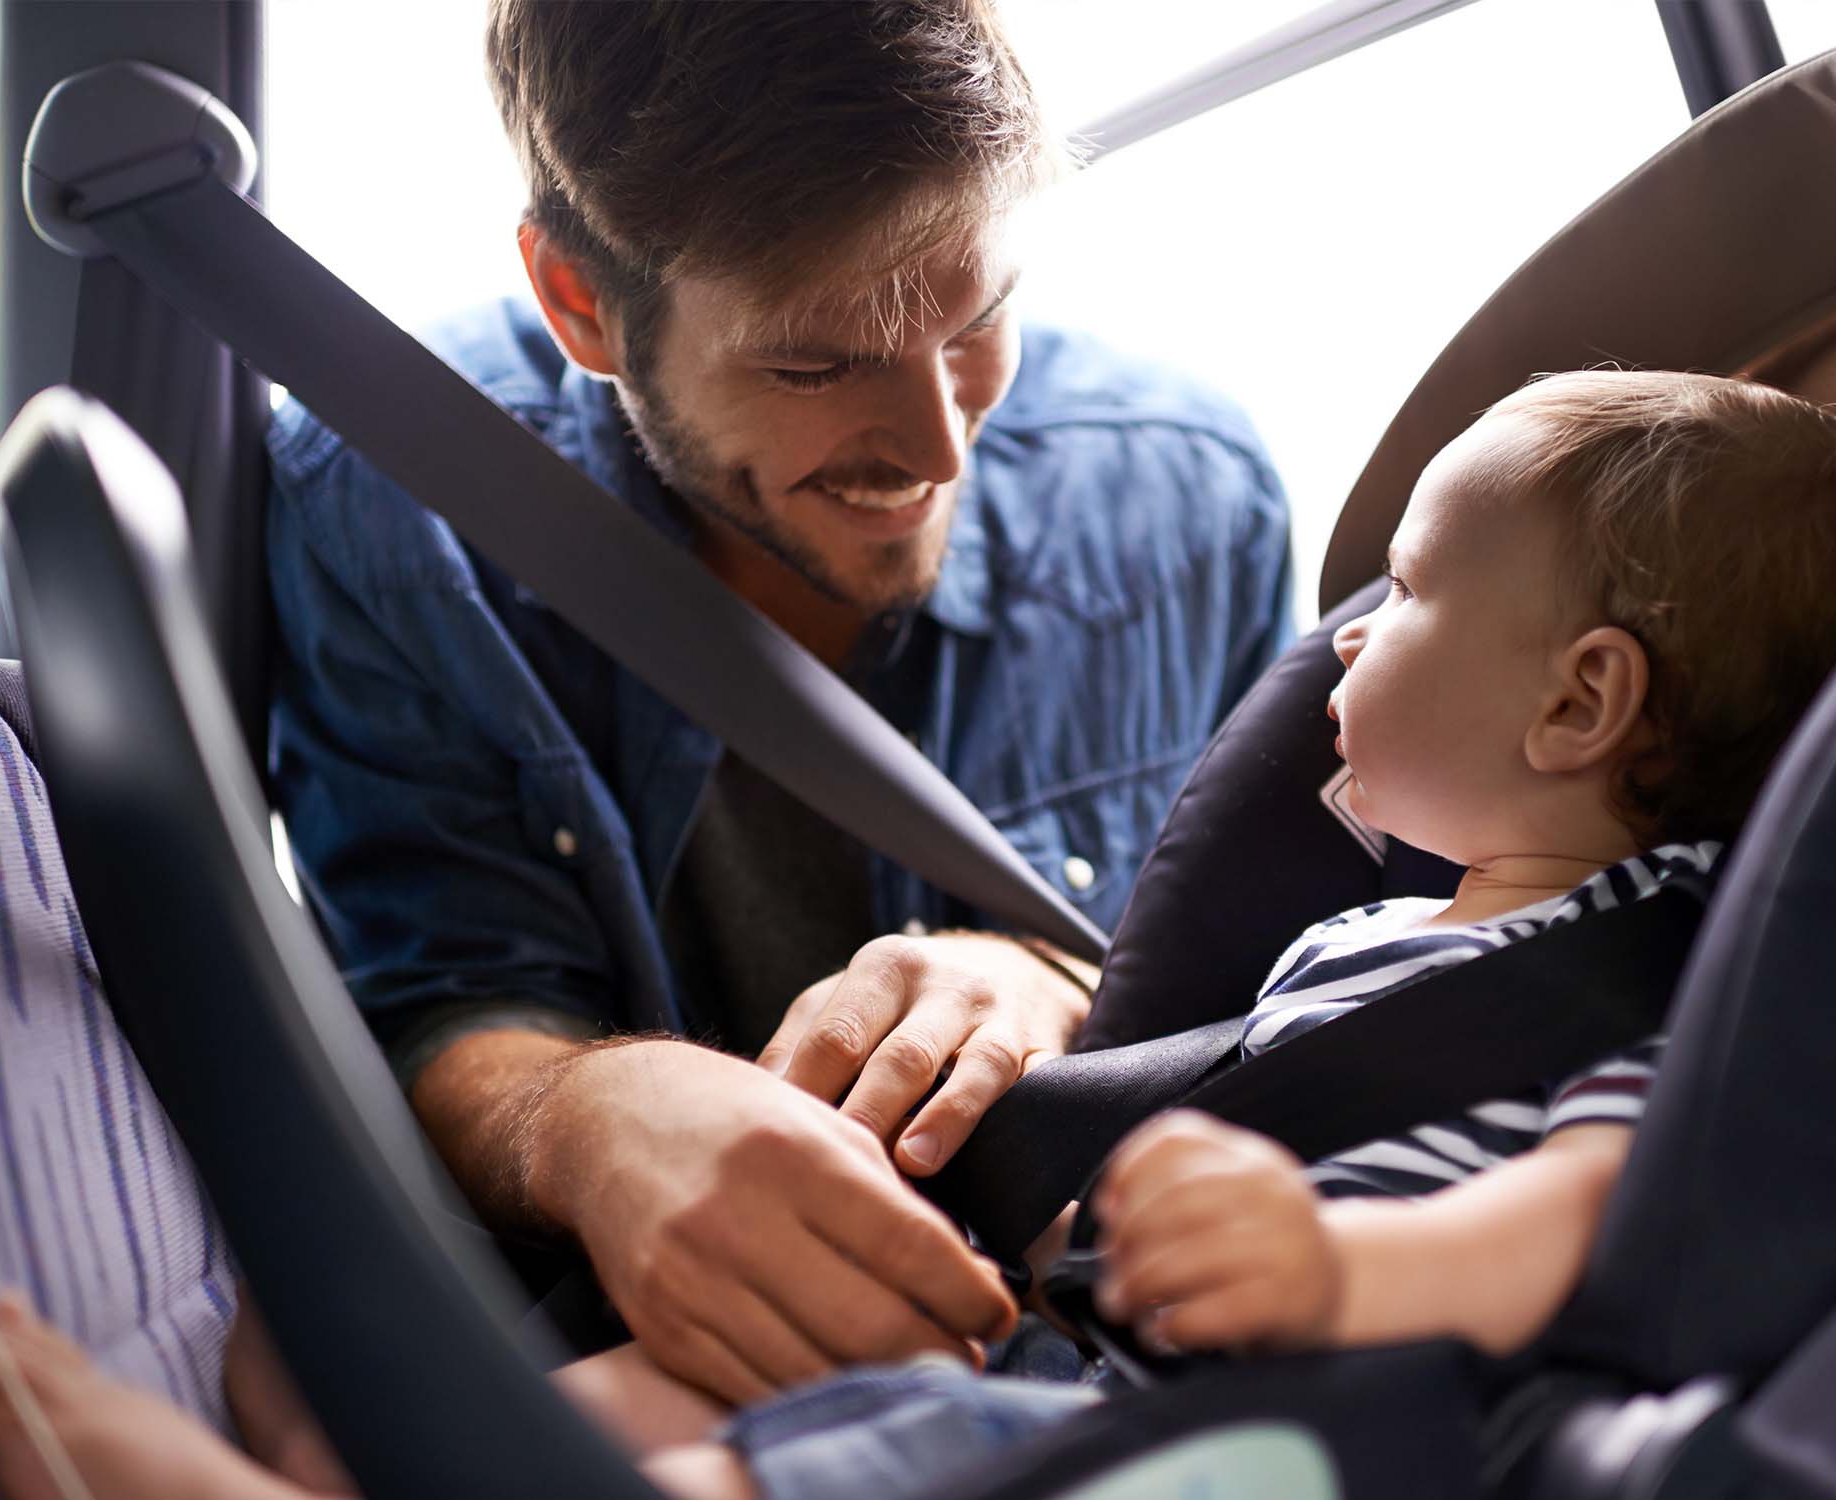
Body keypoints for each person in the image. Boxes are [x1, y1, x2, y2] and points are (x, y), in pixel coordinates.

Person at [0, 370, 1836, 1500]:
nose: (1345, 632)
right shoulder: (1380, 934)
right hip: (1061, 1348)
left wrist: (1350, 1269)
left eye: (1410, 589)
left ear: (1579, 706)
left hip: (1255, 1423)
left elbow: (1605, 1208)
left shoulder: (1668, 960)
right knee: (326, 1372)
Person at [266, 0, 1294, 1403]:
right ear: (582, 304)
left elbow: (1311, 960)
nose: (938, 442)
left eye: (978, 315)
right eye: (816, 363)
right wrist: (586, 1118)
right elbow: (439, 988)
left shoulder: (1191, 496)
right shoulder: (390, 512)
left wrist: (1058, 981)